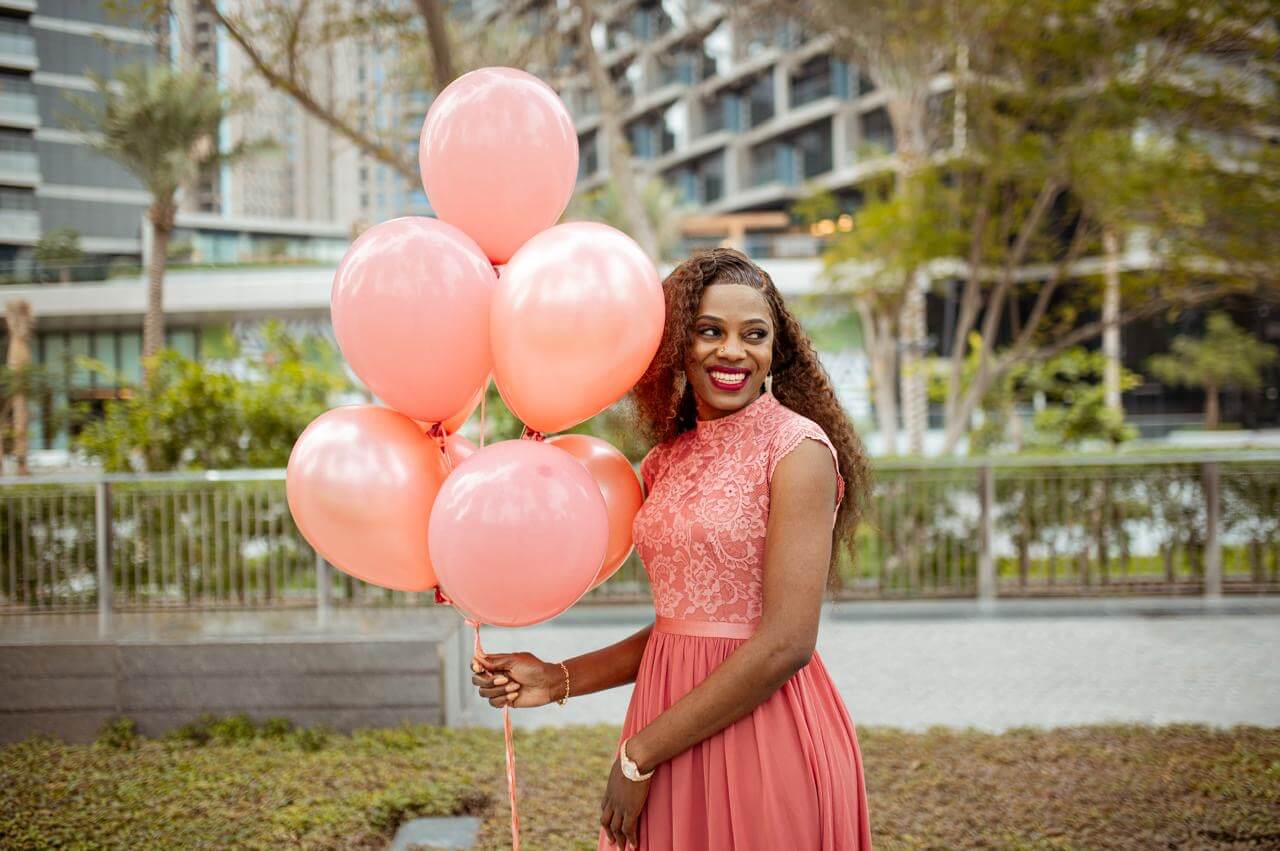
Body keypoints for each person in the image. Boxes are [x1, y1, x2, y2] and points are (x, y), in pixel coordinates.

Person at [470, 247, 874, 850]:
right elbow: (680, 629)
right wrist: (557, 679)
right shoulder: (665, 462)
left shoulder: (798, 450)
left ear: (775, 351)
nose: (732, 351)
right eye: (710, 331)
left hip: (763, 734)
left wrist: (639, 754)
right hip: (668, 724)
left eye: (753, 335)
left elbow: (787, 642)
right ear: (679, 346)